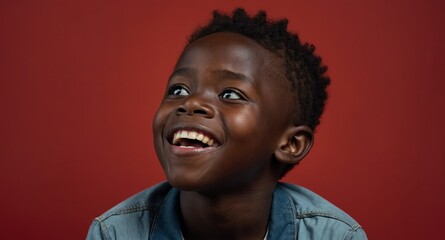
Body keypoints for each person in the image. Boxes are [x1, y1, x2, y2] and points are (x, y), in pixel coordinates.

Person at [86, 8, 367, 240]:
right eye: (178, 90)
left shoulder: (335, 236)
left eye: (230, 94)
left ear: (290, 144)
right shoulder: (115, 233)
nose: (191, 103)